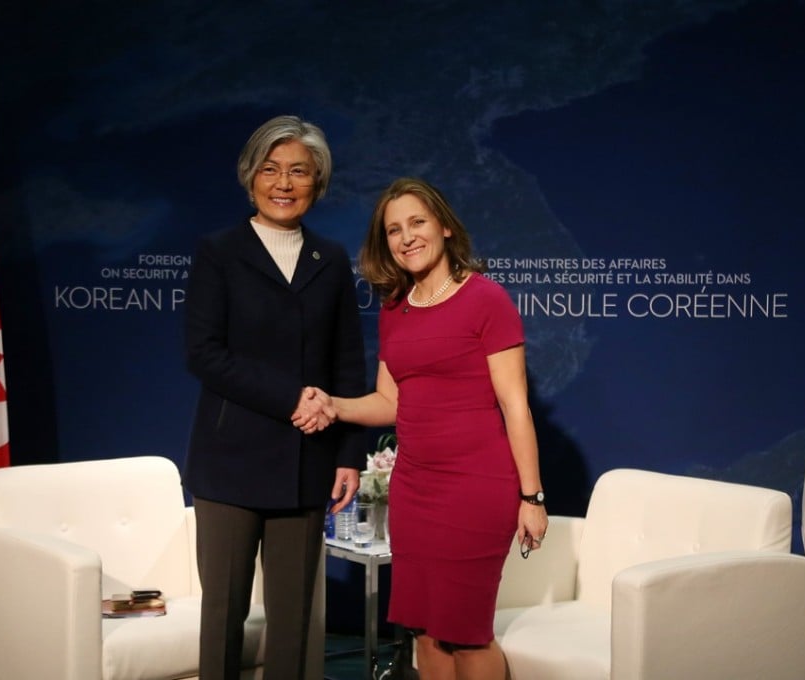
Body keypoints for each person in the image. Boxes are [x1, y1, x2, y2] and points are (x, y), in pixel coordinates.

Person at [296, 177, 548, 680]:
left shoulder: (486, 299)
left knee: (466, 633)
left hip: (477, 488)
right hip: (414, 491)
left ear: (445, 227)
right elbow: (389, 402)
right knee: (426, 631)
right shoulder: (395, 310)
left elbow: (515, 406)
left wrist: (532, 498)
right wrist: (333, 405)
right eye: (394, 230)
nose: (407, 237)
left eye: (417, 223)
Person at [183, 114, 366, 680]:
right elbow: (204, 354)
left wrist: (349, 455)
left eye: (299, 171)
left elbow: (348, 362)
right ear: (250, 177)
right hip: (229, 462)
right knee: (224, 615)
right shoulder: (218, 251)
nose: (284, 183)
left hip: (308, 461)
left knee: (294, 623)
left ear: (318, 182)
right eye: (270, 169)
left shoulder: (330, 260)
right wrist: (293, 399)